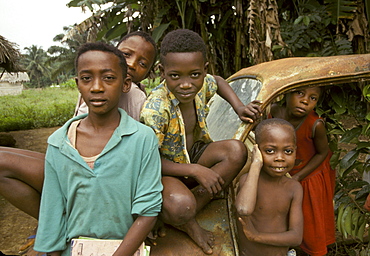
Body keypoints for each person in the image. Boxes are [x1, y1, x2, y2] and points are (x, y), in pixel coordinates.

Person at [0, 31, 157, 252]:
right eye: (86, 79)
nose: (96, 87)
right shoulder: (58, 143)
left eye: (109, 77)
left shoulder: (142, 129)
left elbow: (148, 208)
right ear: (77, 83)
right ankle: (70, 228)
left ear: (125, 82)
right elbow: (52, 209)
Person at [140, 29, 261, 254]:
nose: (186, 84)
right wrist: (195, 170)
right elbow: (148, 163)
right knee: (181, 205)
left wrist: (239, 107)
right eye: (175, 76)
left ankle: (185, 210)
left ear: (204, 69)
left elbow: (218, 81)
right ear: (162, 71)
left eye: (194, 75)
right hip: (166, 168)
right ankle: (186, 220)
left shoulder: (204, 82)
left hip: (195, 151)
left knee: (236, 151)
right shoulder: (155, 109)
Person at [270, 86, 336, 256]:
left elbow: (322, 153)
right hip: (279, 172)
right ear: (286, 93)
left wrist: (298, 176)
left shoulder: (316, 124)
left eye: (313, 98)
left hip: (307, 175)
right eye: (300, 93)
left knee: (310, 221)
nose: (305, 101)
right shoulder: (272, 111)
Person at [235, 118, 303, 256]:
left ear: (295, 151)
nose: (280, 158)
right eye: (270, 151)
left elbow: (296, 237)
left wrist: (256, 236)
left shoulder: (293, 188)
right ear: (257, 151)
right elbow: (243, 209)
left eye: (288, 151)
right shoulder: (249, 181)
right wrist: (255, 164)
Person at [74, 31, 157, 121]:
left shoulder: (137, 94)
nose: (131, 64)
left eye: (142, 64)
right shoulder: (96, 83)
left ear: (147, 74)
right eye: (126, 54)